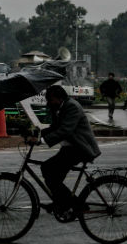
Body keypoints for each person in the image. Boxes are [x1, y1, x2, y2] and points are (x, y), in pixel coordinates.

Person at [31, 85, 101, 219]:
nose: (48, 103)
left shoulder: (72, 106)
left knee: (49, 171)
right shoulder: (60, 107)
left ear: (59, 98)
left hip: (80, 148)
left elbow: (65, 130)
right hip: (70, 148)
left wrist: (41, 141)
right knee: (49, 172)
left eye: (50, 100)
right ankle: (64, 203)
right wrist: (36, 133)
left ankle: (72, 204)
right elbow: (55, 127)